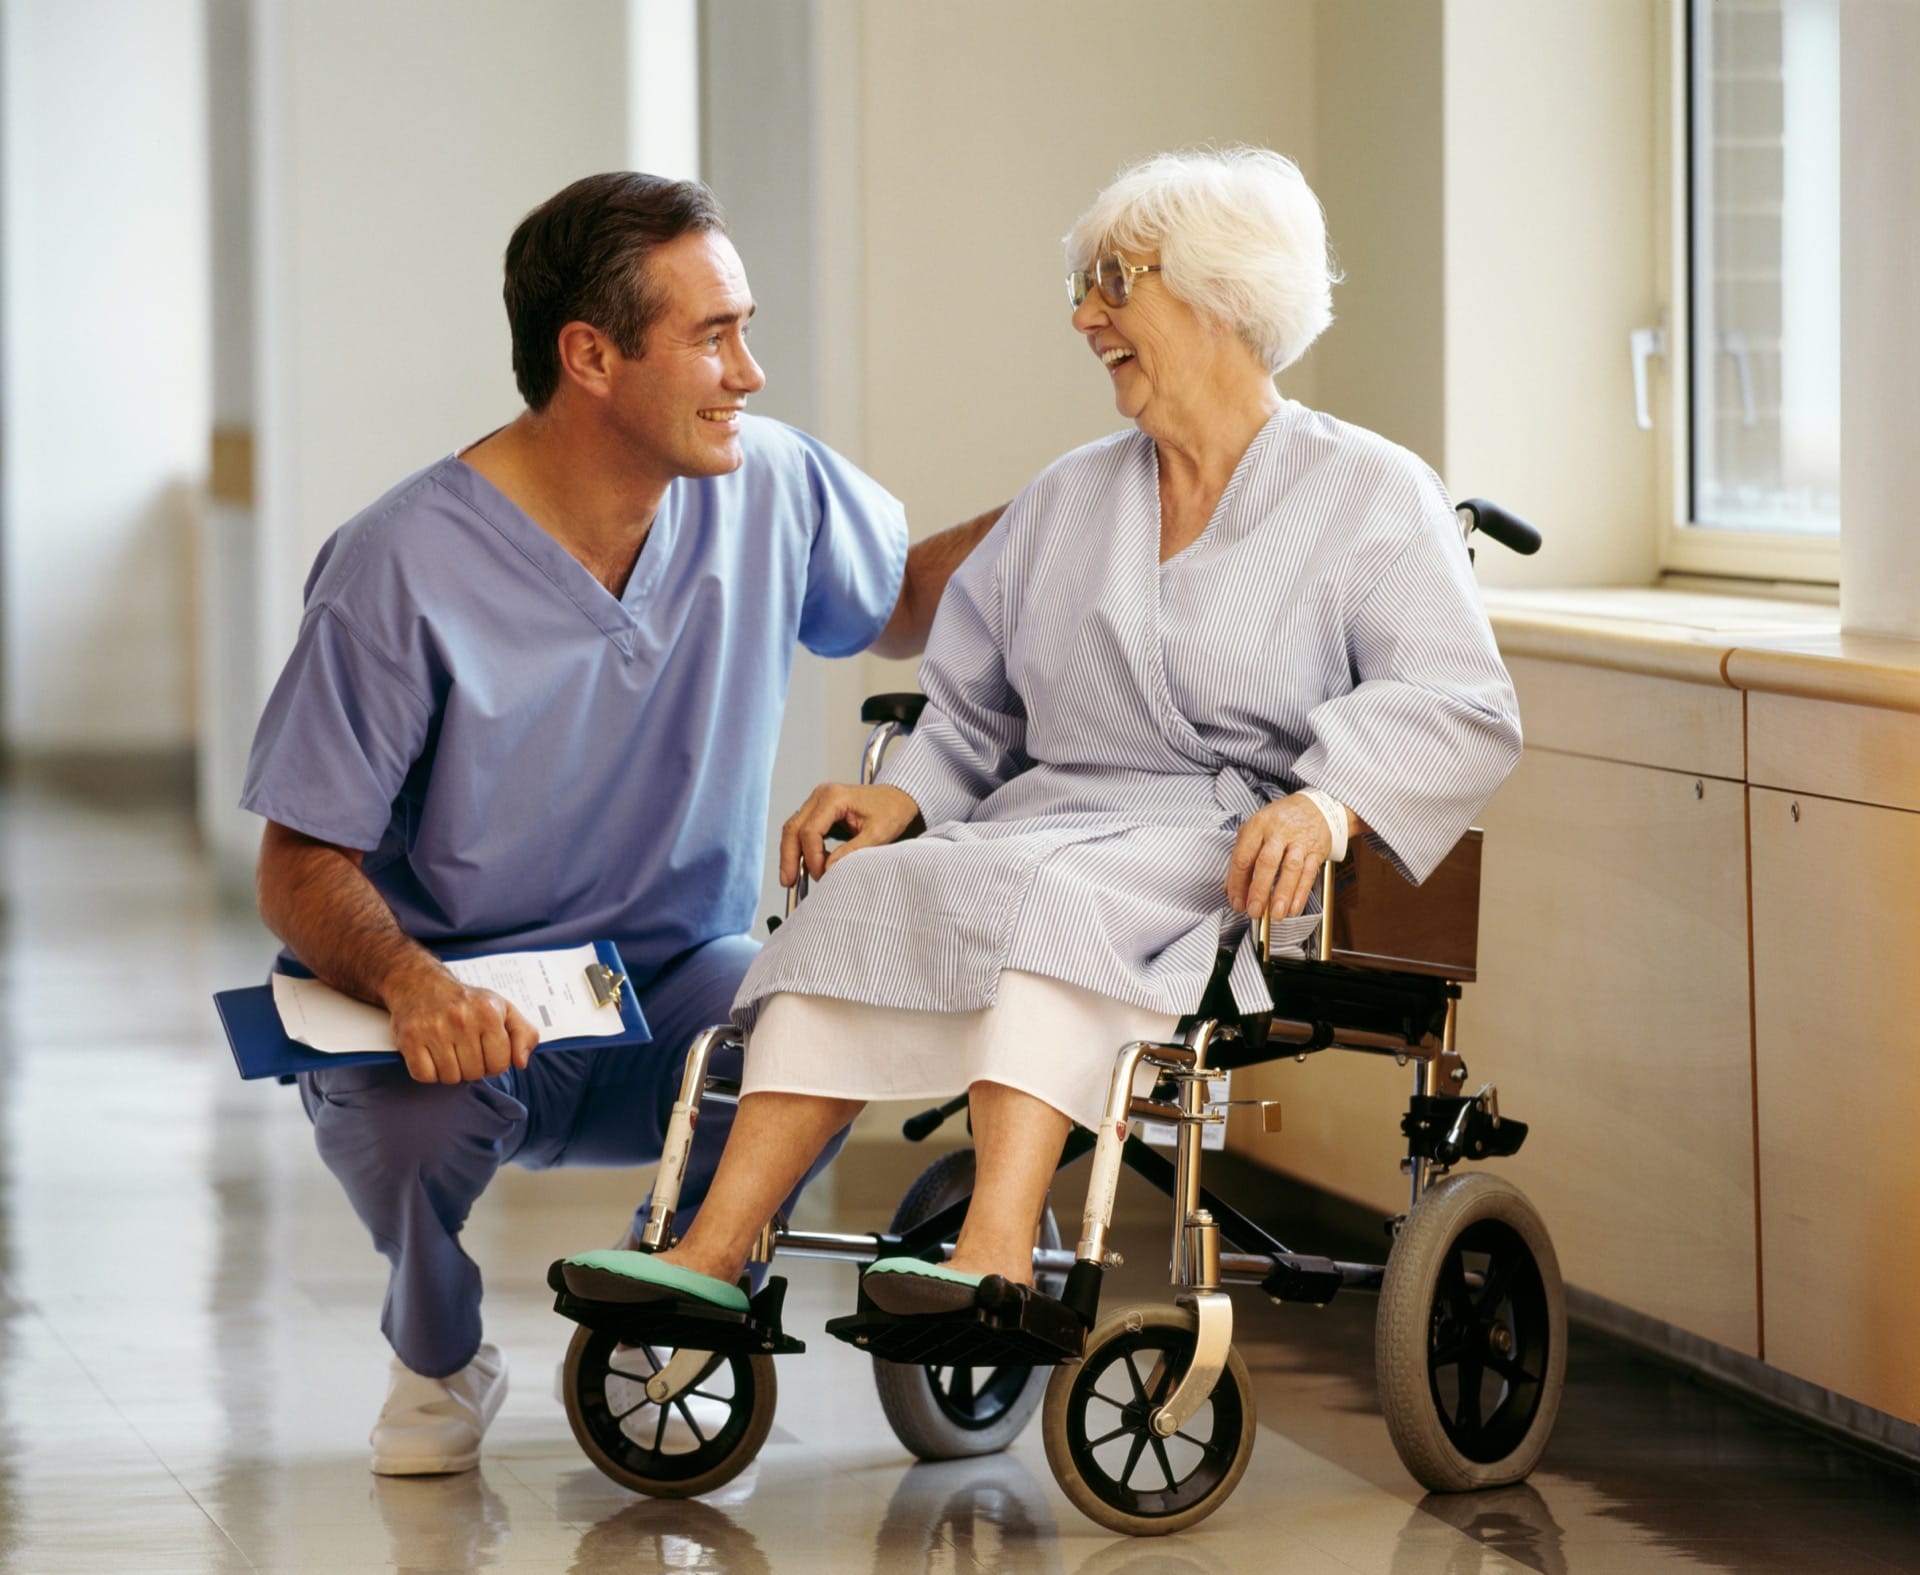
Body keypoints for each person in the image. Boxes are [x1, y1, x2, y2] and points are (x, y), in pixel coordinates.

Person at [576, 146, 1523, 1326]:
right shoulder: (1068, 497)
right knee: (864, 895)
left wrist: (1330, 803)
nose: (1086, 315)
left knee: (1053, 910)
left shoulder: (1373, 493)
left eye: (1115, 283)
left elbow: (1458, 701)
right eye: (1083, 286)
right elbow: (974, 709)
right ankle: (709, 1253)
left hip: (1224, 851)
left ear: (1221, 294)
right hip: (1045, 824)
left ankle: (997, 1255)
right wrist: (909, 800)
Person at [240, 171, 999, 1475]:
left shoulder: (771, 485)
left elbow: (906, 599)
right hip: (453, 998)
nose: (749, 373)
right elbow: (299, 857)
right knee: (405, 1134)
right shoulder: (399, 567)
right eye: (714, 336)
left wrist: (1097, 497)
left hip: (668, 978)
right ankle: (438, 1351)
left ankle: (679, 1310)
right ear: (589, 355)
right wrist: (415, 987)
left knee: (803, 1024)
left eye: (744, 327)